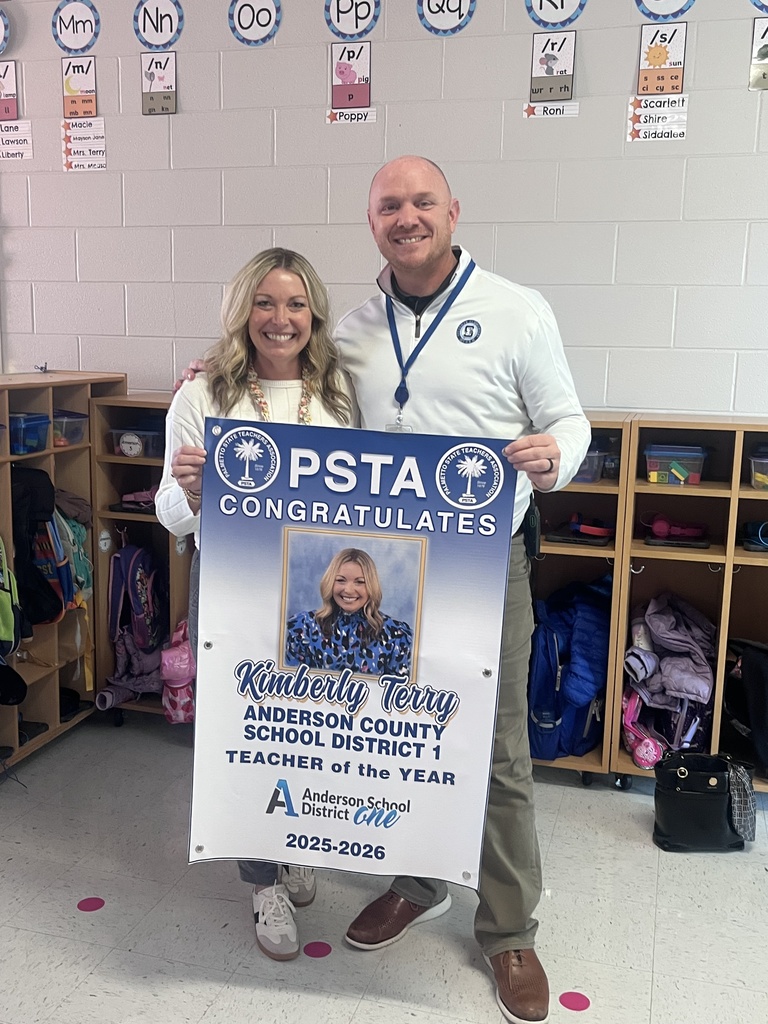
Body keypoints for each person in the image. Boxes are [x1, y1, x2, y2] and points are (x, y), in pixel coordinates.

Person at [177, 156, 590, 1024]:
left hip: (482, 562)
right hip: (381, 567)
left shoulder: (518, 310)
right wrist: (216, 381)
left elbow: (567, 418)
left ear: (452, 211)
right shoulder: (350, 335)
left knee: (497, 747)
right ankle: (419, 878)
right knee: (394, 730)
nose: (407, 217)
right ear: (371, 222)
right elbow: (285, 405)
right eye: (389, 205)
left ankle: (509, 929)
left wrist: (559, 455)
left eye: (422, 202)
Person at [156, 247, 358, 964]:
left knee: (310, 726)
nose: (280, 319)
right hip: (236, 588)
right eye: (265, 303)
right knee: (244, 732)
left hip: (312, 592)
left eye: (295, 304)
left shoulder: (338, 391)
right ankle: (260, 879)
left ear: (315, 314)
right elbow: (168, 516)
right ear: (243, 311)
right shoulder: (204, 393)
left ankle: (298, 839)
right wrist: (193, 496)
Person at [285, 547, 412, 675]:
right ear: (330, 583)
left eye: (360, 582)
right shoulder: (302, 628)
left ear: (371, 586)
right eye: (340, 580)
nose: (349, 590)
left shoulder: (397, 636)